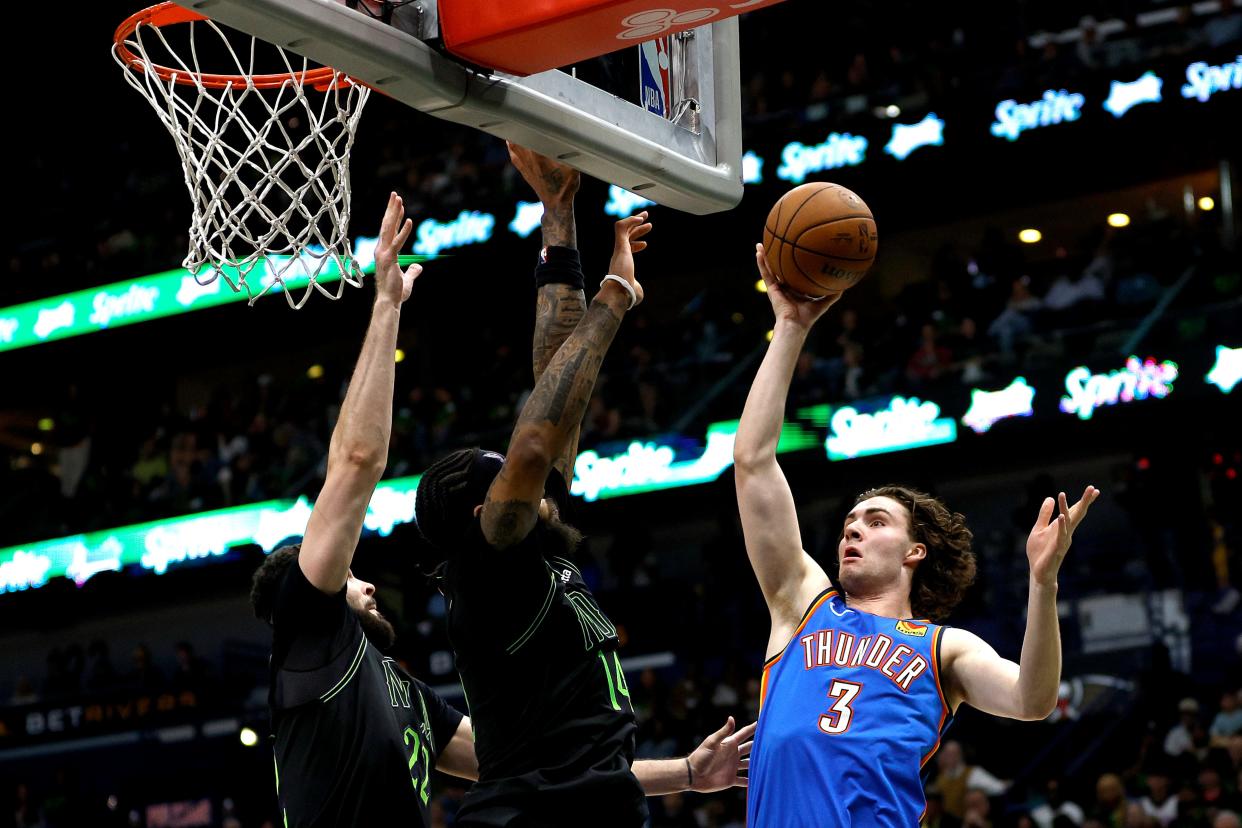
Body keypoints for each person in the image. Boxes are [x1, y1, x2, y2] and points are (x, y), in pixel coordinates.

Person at [412, 149, 752, 827]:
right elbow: (536, 439)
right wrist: (614, 298)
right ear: (487, 510)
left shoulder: (523, 551)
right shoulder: (492, 572)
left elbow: (552, 387)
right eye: (507, 476)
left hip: (581, 805)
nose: (528, 472)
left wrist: (558, 214)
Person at [735, 242, 1100, 827]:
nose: (852, 530)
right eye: (850, 523)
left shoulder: (944, 647)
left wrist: (1043, 582)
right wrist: (789, 327)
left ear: (915, 550)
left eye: (875, 522)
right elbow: (754, 462)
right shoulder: (800, 605)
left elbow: (1033, 702)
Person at [248, 193, 476, 828]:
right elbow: (356, 462)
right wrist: (385, 306)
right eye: (349, 578)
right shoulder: (309, 629)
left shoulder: (405, 694)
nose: (368, 581)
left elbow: (533, 762)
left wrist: (684, 774)